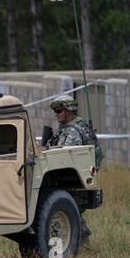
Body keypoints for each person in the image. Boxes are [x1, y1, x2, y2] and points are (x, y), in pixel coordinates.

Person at [46, 94, 101, 242]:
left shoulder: (73, 131)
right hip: (72, 176)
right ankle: (82, 240)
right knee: (72, 209)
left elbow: (64, 155)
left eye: (58, 110)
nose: (55, 114)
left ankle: (81, 239)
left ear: (69, 110)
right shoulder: (68, 128)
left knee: (70, 208)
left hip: (72, 177)